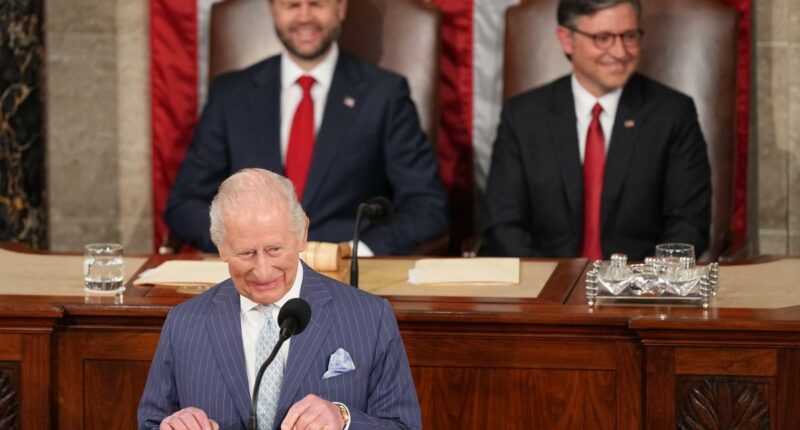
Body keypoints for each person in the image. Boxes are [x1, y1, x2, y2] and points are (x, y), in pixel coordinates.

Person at [139, 168, 422, 430]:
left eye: (274, 249)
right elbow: (152, 422)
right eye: (246, 253)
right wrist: (173, 426)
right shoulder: (184, 324)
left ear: (302, 235)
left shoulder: (369, 318)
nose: (263, 271)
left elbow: (403, 425)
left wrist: (344, 420)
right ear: (221, 247)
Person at [165, 0, 448, 256]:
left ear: (341, 8)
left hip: (347, 278)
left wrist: (359, 252)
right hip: (250, 278)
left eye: (316, 4)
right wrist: (242, 247)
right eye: (292, 5)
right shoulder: (231, 94)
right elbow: (185, 202)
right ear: (273, 9)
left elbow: (427, 205)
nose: (304, 17)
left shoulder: (384, 94)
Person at [482, 0, 711, 260]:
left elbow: (689, 224)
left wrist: (641, 286)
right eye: (603, 38)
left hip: (641, 290)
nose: (620, 51)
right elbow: (503, 225)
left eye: (629, 36)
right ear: (567, 39)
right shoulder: (522, 116)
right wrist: (551, 286)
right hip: (547, 288)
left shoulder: (673, 113)